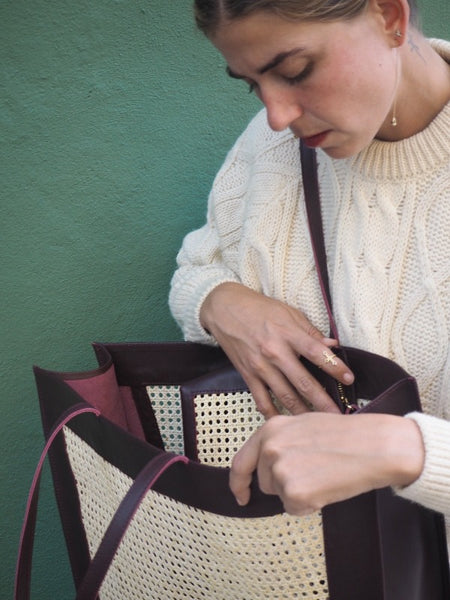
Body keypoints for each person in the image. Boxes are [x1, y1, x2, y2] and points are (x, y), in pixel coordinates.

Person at [169, 0, 450, 545]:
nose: (277, 114)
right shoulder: (271, 148)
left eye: (295, 71)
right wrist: (220, 302)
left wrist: (402, 451)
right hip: (300, 567)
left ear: (390, 17)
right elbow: (197, 266)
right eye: (251, 84)